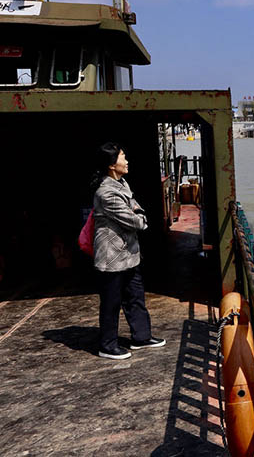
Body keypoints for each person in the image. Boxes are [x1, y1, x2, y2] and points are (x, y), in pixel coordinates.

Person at [90, 142, 165, 360]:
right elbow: (135, 221)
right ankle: (107, 345)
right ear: (112, 165)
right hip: (112, 257)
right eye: (123, 157)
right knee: (112, 302)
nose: (127, 161)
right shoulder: (107, 193)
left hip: (129, 254)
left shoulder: (121, 183)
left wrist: (137, 213)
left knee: (135, 296)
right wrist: (140, 217)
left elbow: (135, 207)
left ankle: (141, 337)